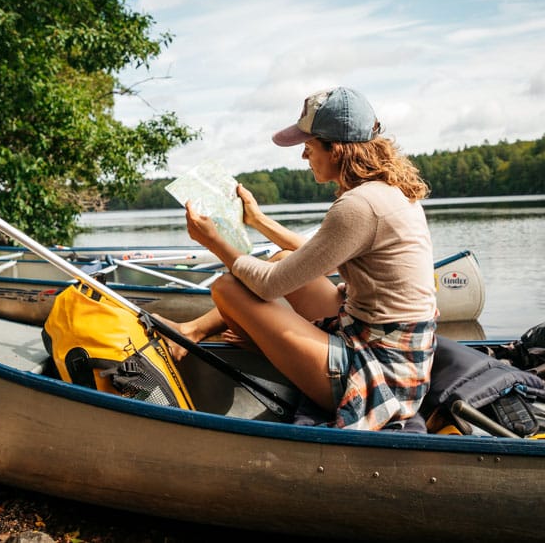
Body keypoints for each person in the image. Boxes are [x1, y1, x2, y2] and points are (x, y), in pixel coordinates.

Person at [174, 86, 438, 431]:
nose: (303, 157)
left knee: (228, 287)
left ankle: (253, 340)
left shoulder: (359, 206)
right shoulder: (384, 192)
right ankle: (194, 331)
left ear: (337, 150)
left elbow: (269, 286)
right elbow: (318, 256)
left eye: (309, 147)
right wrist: (258, 221)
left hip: (380, 376)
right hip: (394, 354)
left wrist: (214, 242)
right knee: (283, 258)